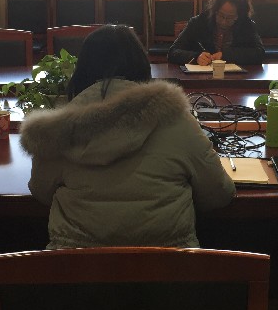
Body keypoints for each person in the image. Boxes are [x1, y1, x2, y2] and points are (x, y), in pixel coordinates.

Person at [20, 24, 236, 249]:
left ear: (82, 69)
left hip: (77, 266)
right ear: (142, 65)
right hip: (167, 266)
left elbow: (41, 191)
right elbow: (219, 193)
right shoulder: (176, 119)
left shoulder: (56, 131)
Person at [167, 0, 266, 65]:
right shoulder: (199, 22)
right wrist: (196, 57)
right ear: (214, 9)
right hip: (201, 77)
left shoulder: (246, 25)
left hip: (236, 78)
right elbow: (173, 52)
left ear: (240, 15)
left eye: (230, 18)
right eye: (220, 15)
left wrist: (226, 55)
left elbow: (260, 54)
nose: (224, 22)